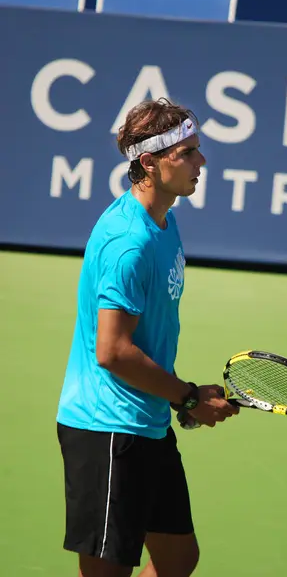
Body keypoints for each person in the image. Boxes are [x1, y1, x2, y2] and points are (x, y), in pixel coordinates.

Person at [56, 97, 239, 577]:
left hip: (148, 419)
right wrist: (186, 397)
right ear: (149, 164)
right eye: (188, 153)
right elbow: (113, 351)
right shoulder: (128, 243)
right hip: (108, 429)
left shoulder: (166, 222)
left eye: (198, 149)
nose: (202, 161)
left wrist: (185, 395)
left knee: (179, 558)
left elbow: (147, 340)